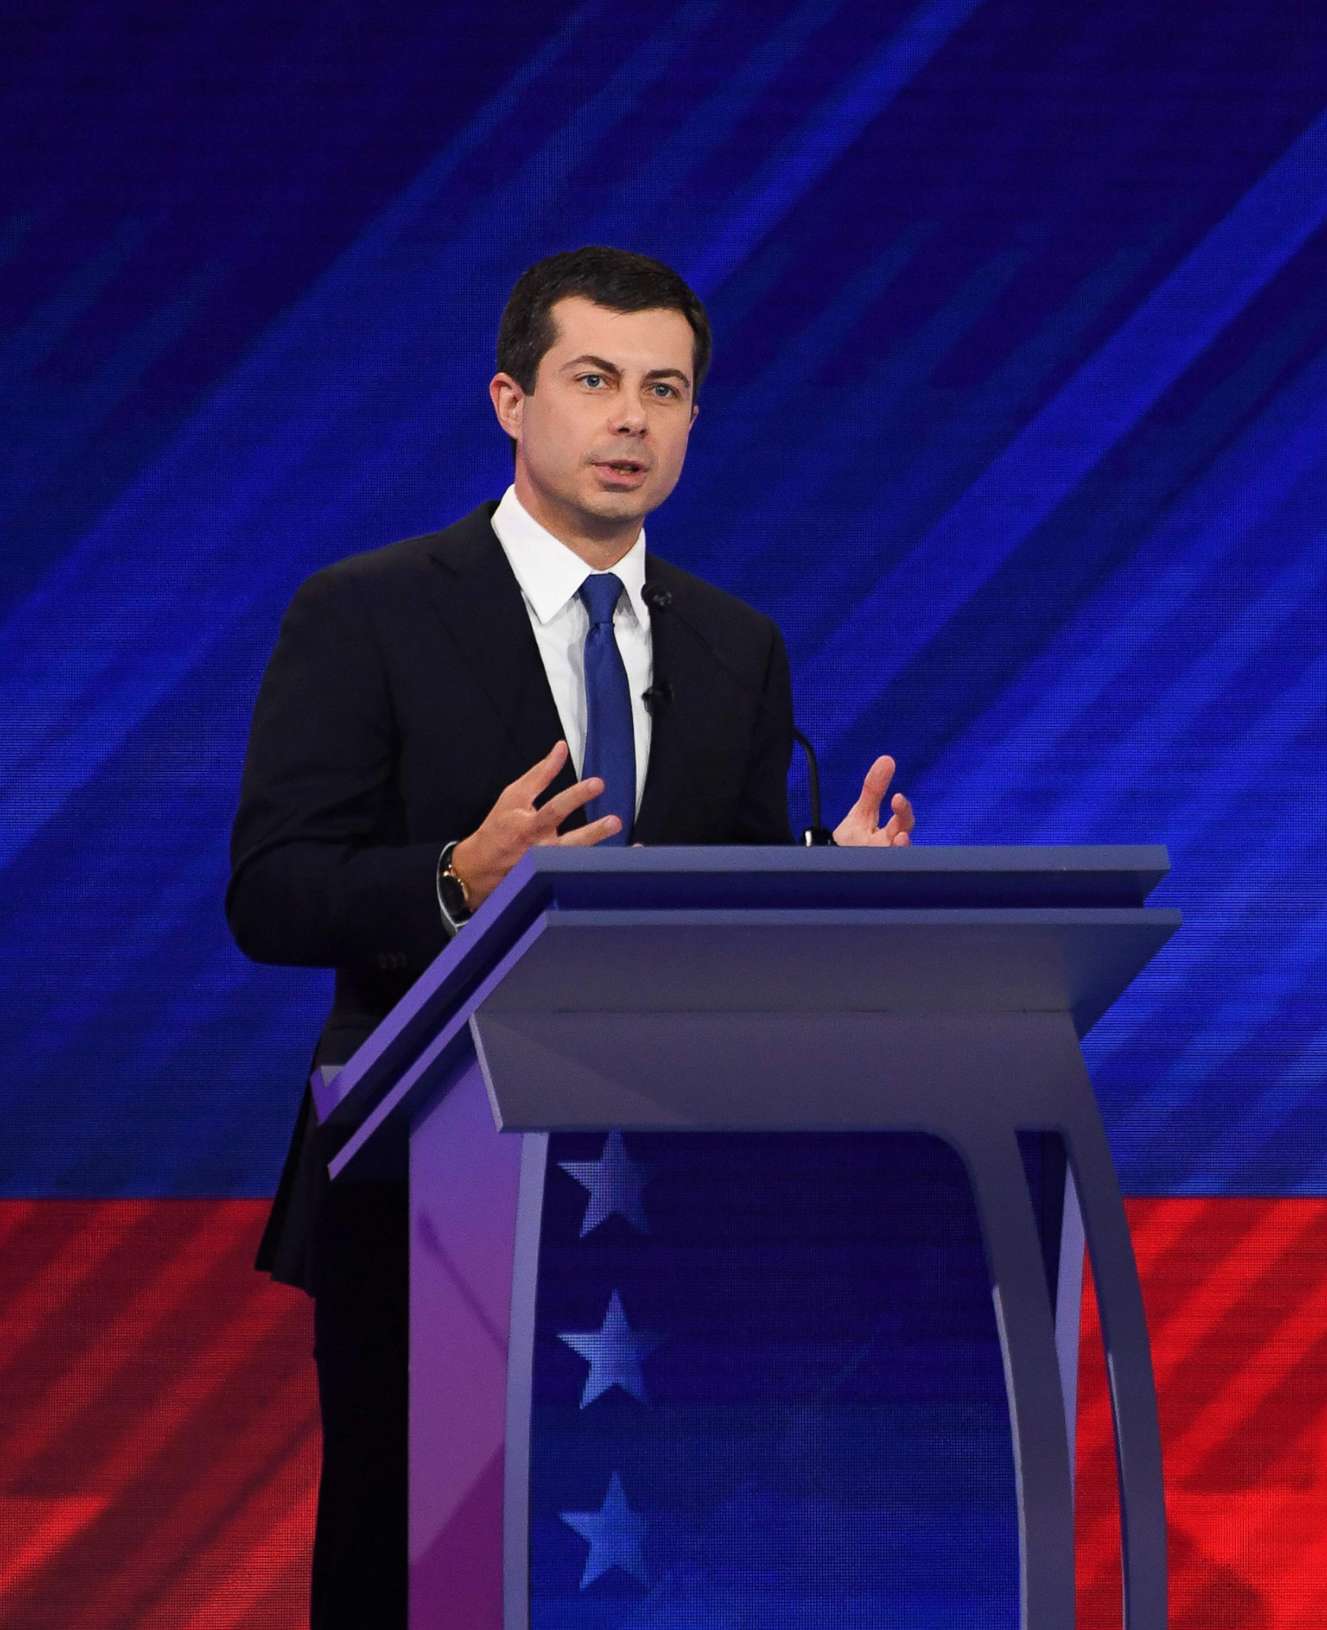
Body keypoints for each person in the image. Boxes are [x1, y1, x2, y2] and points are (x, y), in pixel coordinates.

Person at [226, 246, 916, 1625]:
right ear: (509, 399)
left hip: (668, 1187)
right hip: (427, 1181)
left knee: (645, 1563)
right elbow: (272, 891)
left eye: (665, 389)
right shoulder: (367, 612)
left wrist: (819, 883)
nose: (631, 419)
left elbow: (711, 904)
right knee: (406, 1562)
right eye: (594, 380)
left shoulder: (736, 643)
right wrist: (453, 880)